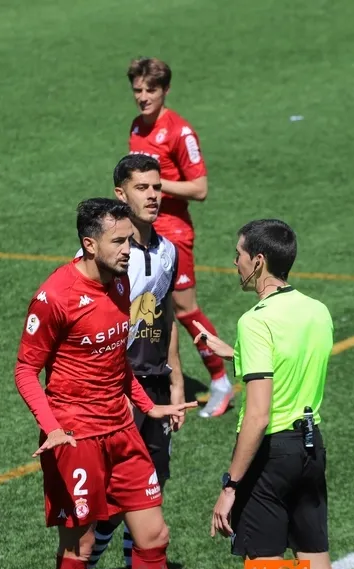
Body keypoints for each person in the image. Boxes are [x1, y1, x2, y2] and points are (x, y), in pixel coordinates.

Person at [14, 198, 197, 569]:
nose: (128, 250)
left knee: (154, 536)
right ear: (89, 244)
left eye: (129, 241)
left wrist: (149, 406)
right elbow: (25, 370)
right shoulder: (54, 297)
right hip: (76, 437)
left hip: (122, 428)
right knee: (78, 550)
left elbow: (117, 362)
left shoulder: (121, 282)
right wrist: (52, 427)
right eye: (118, 242)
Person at [195, 220, 354, 569]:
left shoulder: (255, 321)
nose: (234, 262)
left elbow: (259, 414)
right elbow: (290, 362)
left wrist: (230, 485)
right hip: (310, 449)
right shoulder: (317, 310)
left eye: (239, 255)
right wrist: (236, 353)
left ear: (258, 261)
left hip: (271, 459)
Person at [80, 155, 193, 569]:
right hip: (117, 392)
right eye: (142, 187)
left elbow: (165, 315)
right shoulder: (110, 259)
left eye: (157, 187)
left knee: (148, 501)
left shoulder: (167, 251)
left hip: (153, 386)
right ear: (120, 194)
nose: (152, 196)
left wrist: (176, 379)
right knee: (110, 508)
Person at [126, 56, 234, 418]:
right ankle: (150, 380)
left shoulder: (180, 132)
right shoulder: (136, 128)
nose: (143, 97)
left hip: (173, 232)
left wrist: (154, 185)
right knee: (146, 307)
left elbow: (200, 188)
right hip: (142, 229)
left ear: (165, 90)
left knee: (185, 309)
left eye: (150, 90)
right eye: (138, 90)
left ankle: (220, 380)